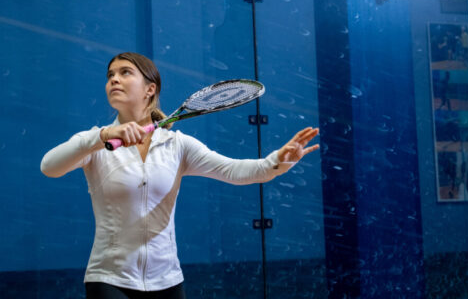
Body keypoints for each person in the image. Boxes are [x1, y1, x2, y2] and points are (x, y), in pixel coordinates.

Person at [40, 52, 320, 299]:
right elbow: (49, 167)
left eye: (125, 73)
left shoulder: (178, 145)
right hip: (109, 280)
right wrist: (101, 136)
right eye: (110, 75)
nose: (114, 79)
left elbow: (235, 171)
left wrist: (279, 160)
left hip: (168, 282)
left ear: (150, 89)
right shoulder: (94, 143)